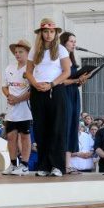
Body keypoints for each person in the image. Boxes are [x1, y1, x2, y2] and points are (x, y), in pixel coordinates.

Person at [25, 18, 71, 177]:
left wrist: (52, 84)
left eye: (52, 31)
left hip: (55, 90)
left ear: (56, 33)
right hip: (38, 91)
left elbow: (66, 72)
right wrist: (35, 84)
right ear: (41, 33)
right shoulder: (34, 51)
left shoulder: (61, 50)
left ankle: (57, 165)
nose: (49, 34)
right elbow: (29, 72)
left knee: (56, 128)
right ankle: (43, 164)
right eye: (46, 31)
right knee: (40, 128)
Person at [1, 39, 33, 176]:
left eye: (21, 52)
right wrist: (9, 96)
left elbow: (33, 90)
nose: (17, 54)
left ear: (27, 53)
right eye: (16, 52)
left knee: (25, 136)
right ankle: (13, 164)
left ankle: (25, 164)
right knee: (11, 136)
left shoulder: (31, 69)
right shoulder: (9, 68)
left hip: (25, 109)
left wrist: (18, 99)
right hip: (11, 109)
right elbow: (4, 86)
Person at [59, 32, 89, 174]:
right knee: (65, 128)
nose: (74, 44)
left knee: (72, 127)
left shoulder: (71, 59)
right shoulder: (59, 59)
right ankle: (64, 165)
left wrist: (80, 80)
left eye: (75, 42)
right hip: (63, 95)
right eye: (71, 41)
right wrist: (76, 80)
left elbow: (72, 82)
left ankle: (68, 164)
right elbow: (60, 81)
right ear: (64, 42)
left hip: (73, 95)